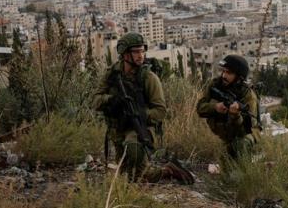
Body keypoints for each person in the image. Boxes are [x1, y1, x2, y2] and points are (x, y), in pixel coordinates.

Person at [93, 32, 192, 183]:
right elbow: (95, 101)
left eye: (142, 51)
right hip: (118, 128)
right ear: (125, 54)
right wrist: (112, 100)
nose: (141, 55)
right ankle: (167, 171)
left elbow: (160, 111)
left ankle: (167, 170)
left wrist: (141, 114)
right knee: (133, 178)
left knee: (133, 147)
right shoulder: (112, 74)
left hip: (140, 127)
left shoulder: (148, 78)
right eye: (136, 51)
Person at [196, 55, 260, 158]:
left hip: (247, 133)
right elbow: (200, 108)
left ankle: (244, 169)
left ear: (239, 77)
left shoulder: (248, 95)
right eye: (224, 71)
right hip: (224, 134)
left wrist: (235, 116)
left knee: (241, 144)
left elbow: (246, 129)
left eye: (229, 73)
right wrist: (215, 107)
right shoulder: (215, 85)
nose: (224, 75)